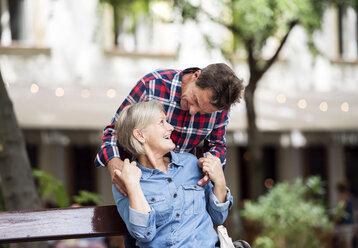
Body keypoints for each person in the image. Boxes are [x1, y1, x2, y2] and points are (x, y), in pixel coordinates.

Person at [94, 63, 245, 247]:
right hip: (147, 184)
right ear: (196, 76)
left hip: (187, 182)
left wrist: (214, 175)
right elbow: (114, 131)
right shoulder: (153, 84)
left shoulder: (192, 162)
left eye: (203, 113)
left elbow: (216, 145)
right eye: (195, 101)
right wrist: (116, 166)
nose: (193, 112)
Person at [112, 101, 233, 247]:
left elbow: (218, 217)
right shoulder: (126, 179)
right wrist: (133, 186)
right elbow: (143, 234)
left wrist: (220, 180)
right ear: (140, 135)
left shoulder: (190, 163)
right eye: (161, 122)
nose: (170, 127)